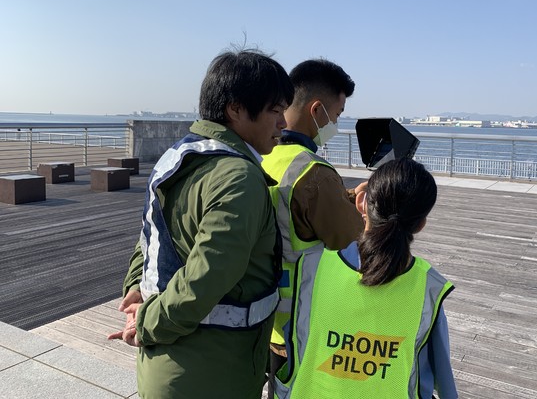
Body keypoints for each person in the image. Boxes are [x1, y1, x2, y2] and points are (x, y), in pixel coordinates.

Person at [107, 48, 294, 399]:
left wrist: (135, 290)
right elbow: (205, 279)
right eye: (275, 110)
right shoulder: (239, 177)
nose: (283, 123)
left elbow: (150, 235)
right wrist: (145, 324)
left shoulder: (179, 156)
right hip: (211, 373)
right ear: (235, 109)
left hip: (168, 367)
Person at [274, 158, 458, 398]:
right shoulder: (428, 288)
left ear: (361, 203)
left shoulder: (311, 268)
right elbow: (443, 382)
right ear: (420, 224)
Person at [260, 58, 366, 391]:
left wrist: (343, 196)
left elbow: (290, 206)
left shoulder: (260, 156)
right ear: (316, 110)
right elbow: (351, 238)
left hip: (262, 315)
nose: (335, 122)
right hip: (301, 325)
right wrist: (362, 210)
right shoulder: (313, 172)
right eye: (336, 115)